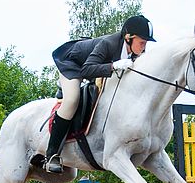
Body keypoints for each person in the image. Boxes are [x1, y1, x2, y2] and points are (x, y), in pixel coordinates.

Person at [46, 15, 156, 173]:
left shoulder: (133, 51)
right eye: (142, 43)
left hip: (92, 68)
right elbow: (86, 70)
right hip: (72, 64)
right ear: (128, 38)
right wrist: (113, 66)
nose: (144, 48)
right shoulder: (108, 44)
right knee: (72, 100)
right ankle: (52, 155)